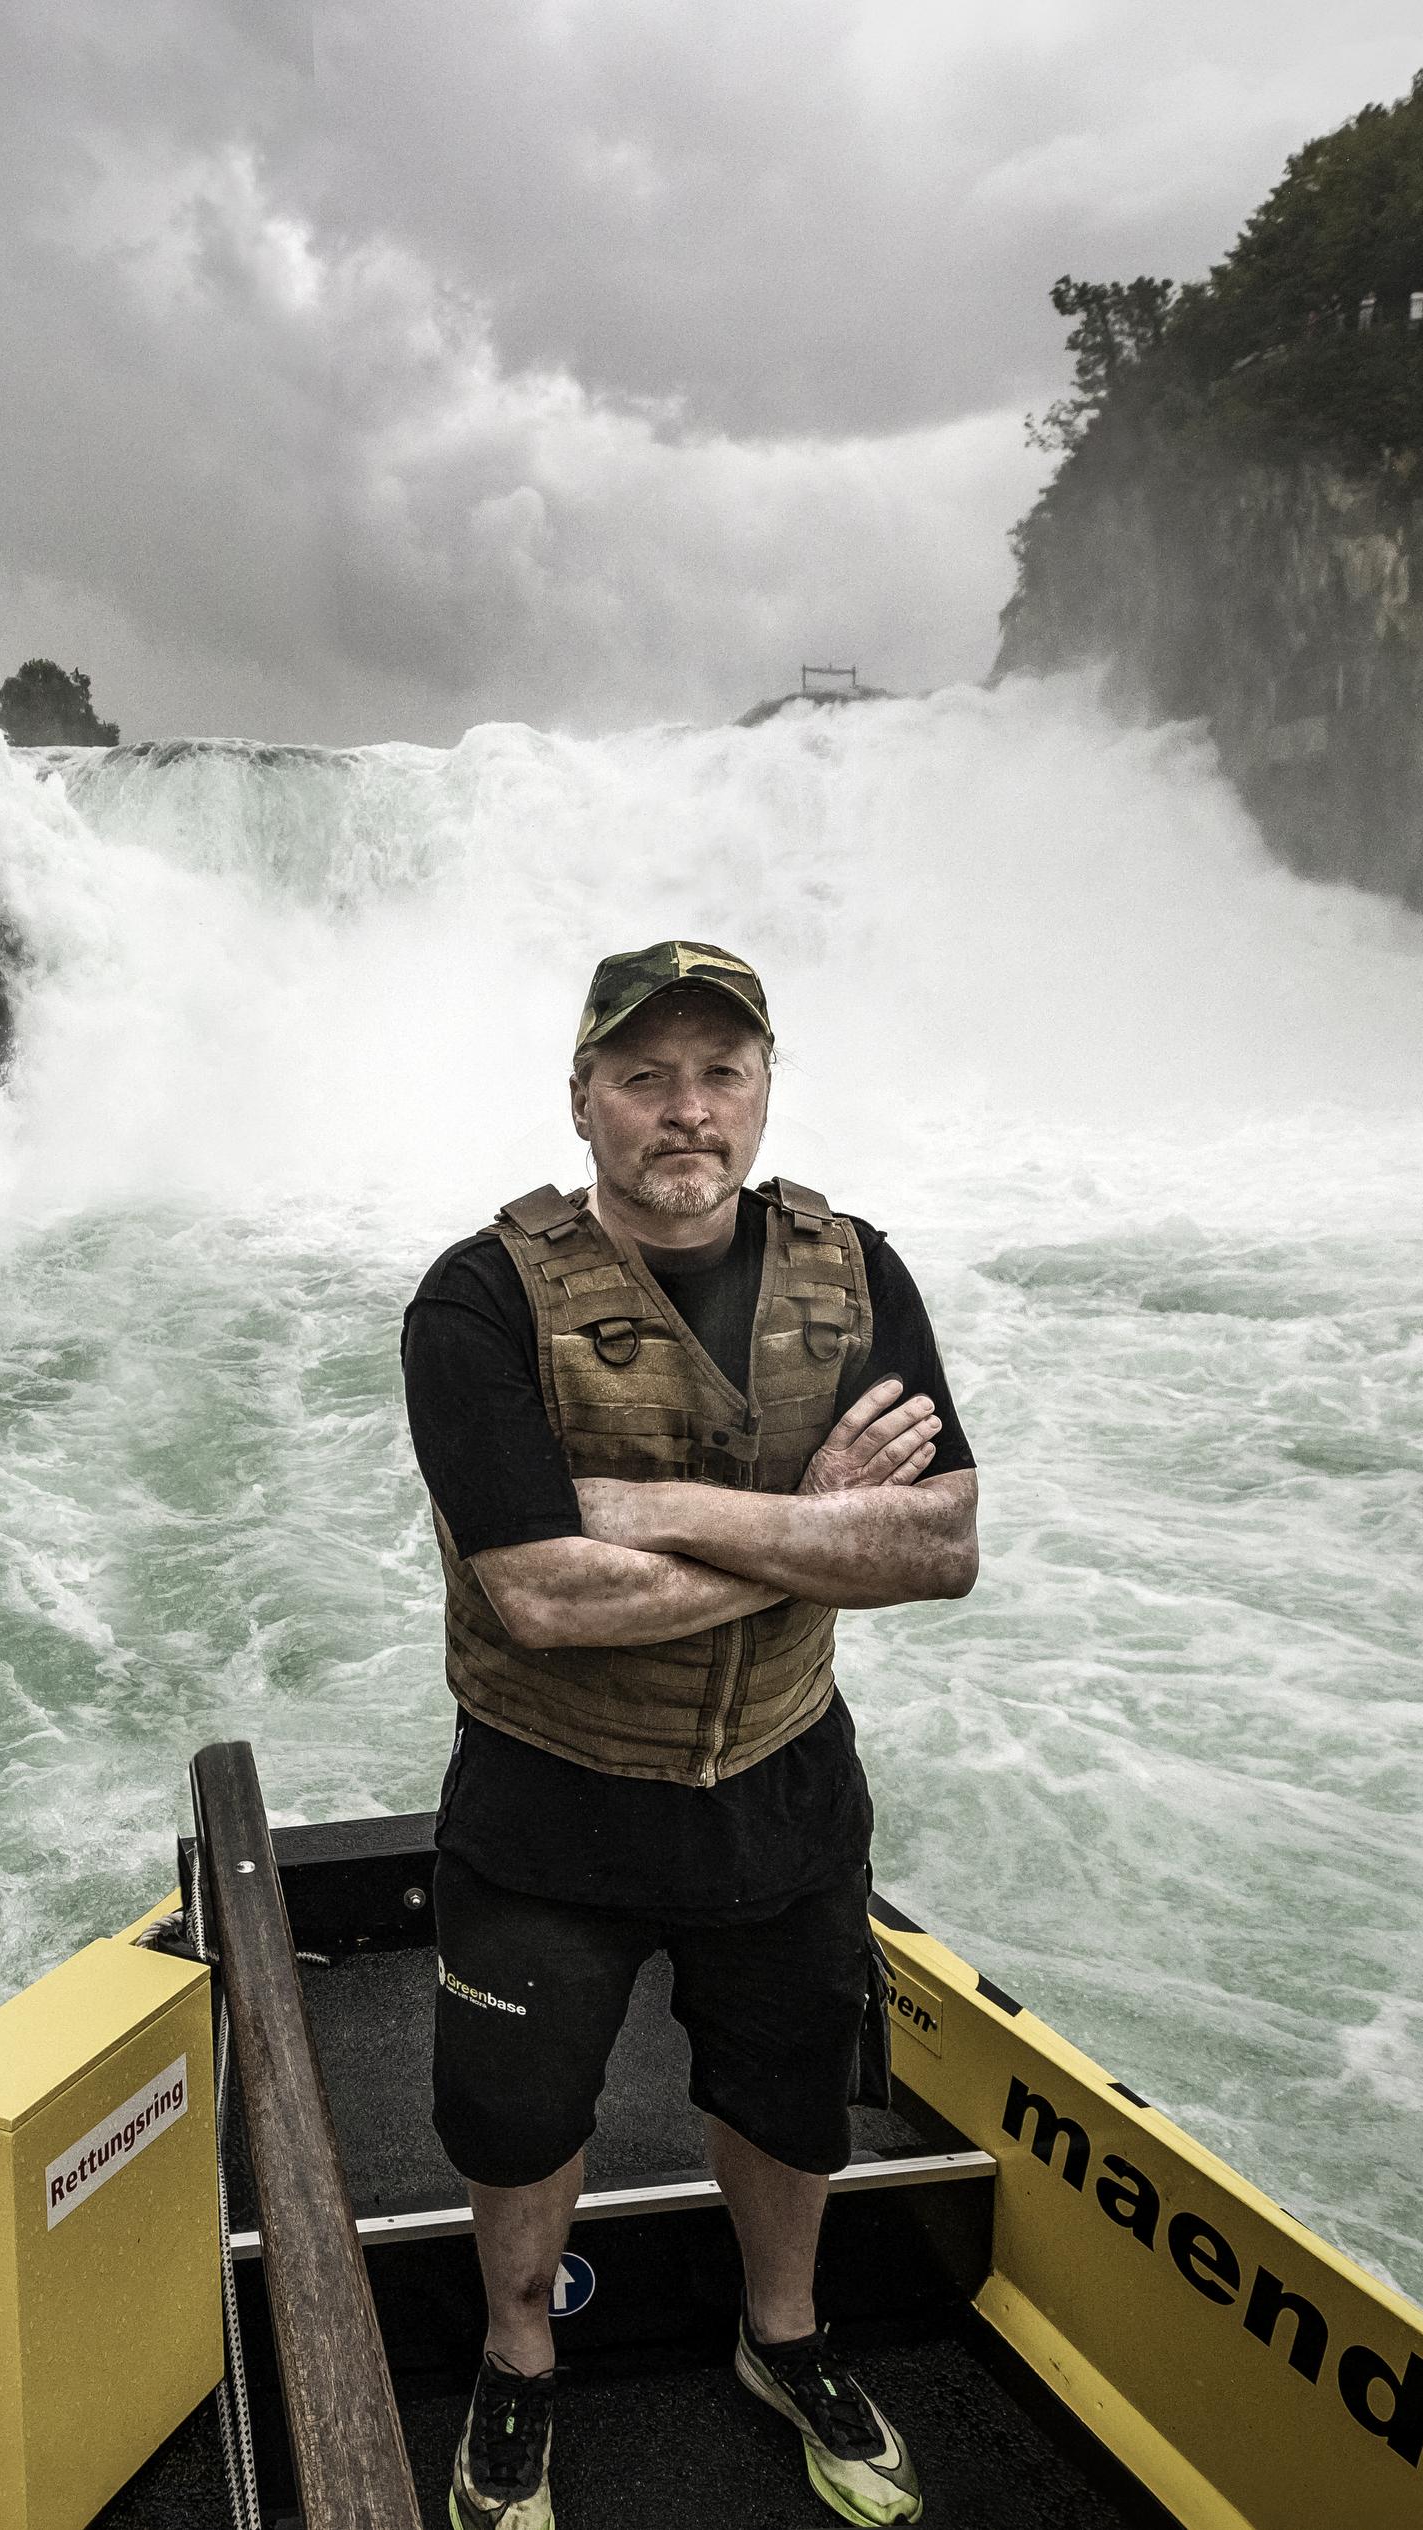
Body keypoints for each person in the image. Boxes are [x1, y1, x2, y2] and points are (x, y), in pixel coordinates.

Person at [402, 939, 980, 2530]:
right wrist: (811, 1528)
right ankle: (519, 2360)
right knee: (516, 2114)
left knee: (792, 2091)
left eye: (721, 1072)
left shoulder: (856, 1270)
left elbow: (938, 1547)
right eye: (646, 1076)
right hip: (549, 1802)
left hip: (783, 1788)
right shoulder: (478, 1297)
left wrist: (674, 1512)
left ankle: (782, 2335)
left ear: (765, 1088)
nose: (688, 1110)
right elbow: (543, 1596)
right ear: (582, 1098)